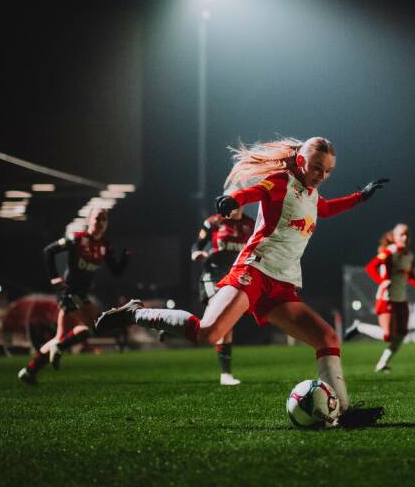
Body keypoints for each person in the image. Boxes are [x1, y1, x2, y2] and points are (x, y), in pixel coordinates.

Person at [96, 136, 388, 427]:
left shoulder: (310, 195)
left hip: (283, 285)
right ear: (301, 161)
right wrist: (234, 199)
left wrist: (359, 197)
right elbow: (255, 192)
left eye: (328, 172)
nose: (322, 176)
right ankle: (136, 313)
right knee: (208, 333)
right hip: (255, 270)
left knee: (327, 339)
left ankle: (344, 412)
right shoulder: (281, 182)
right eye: (316, 168)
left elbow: (325, 209)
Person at [18, 207, 129, 385]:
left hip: (81, 295)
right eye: (97, 218)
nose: (100, 223)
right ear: (89, 219)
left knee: (61, 337)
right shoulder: (78, 239)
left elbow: (115, 271)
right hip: (68, 293)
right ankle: (58, 349)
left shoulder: (105, 246)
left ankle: (29, 371)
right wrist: (54, 277)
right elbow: (49, 251)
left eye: (104, 220)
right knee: (92, 327)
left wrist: (124, 261)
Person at [344, 223, 415, 372]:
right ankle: (359, 326)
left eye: (407, 234)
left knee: (402, 335)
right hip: (387, 298)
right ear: (394, 236)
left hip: (401, 300)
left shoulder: (409, 256)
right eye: (401, 234)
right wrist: (382, 281)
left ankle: (382, 364)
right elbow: (370, 267)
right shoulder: (389, 252)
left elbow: (409, 276)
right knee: (388, 336)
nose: (405, 237)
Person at [189, 206, 255, 385]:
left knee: (218, 325)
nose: (232, 209)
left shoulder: (251, 224)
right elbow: (197, 245)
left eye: (236, 204)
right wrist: (197, 253)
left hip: (233, 277)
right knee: (220, 322)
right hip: (213, 275)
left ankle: (173, 326)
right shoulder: (214, 221)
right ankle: (225, 374)